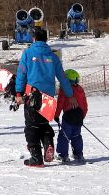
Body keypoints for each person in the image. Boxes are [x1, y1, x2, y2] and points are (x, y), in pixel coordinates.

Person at [14, 28, 73, 167]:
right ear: (46, 39)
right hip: (49, 98)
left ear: (33, 39)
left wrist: (18, 93)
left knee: (31, 127)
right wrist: (70, 95)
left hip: (32, 97)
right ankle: (48, 145)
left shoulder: (28, 53)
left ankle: (36, 158)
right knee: (44, 125)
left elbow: (21, 74)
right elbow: (62, 77)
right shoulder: (52, 56)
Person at [55, 68, 88, 163]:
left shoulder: (64, 90)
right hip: (79, 116)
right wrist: (82, 115)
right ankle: (78, 154)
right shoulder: (80, 89)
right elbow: (84, 104)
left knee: (64, 136)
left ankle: (63, 155)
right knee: (76, 135)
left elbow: (60, 103)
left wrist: (56, 115)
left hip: (69, 116)